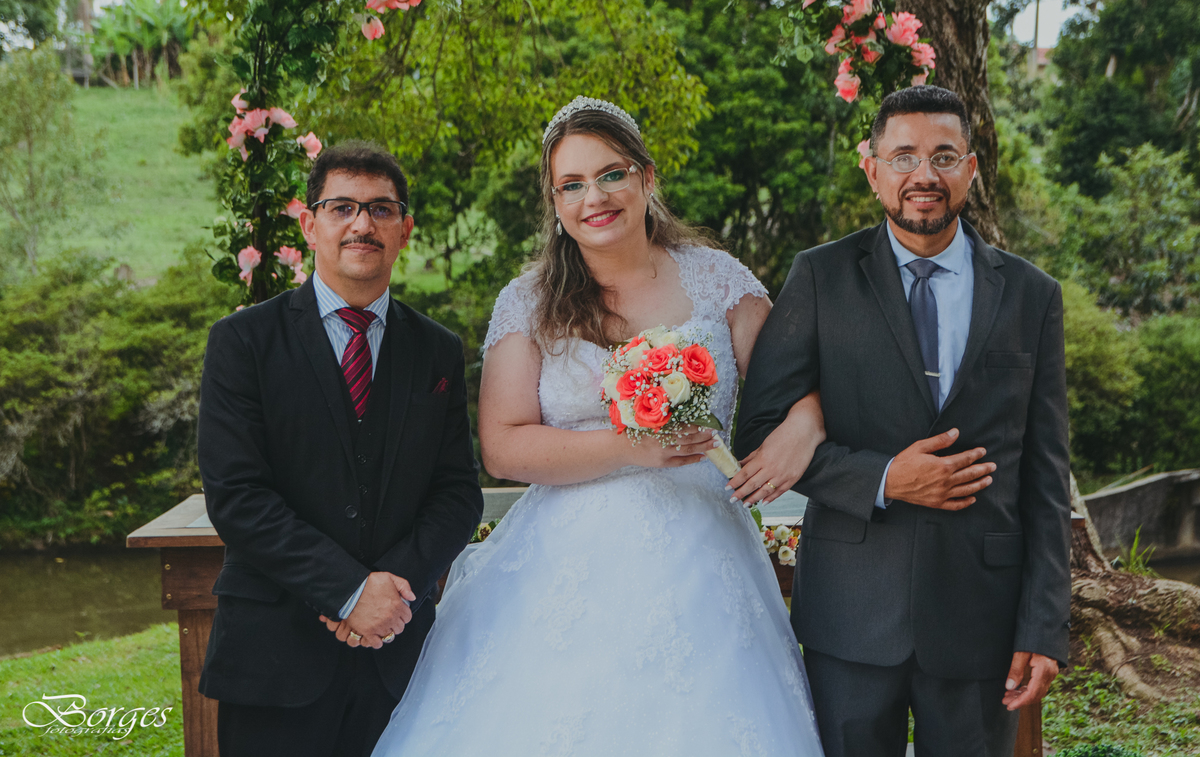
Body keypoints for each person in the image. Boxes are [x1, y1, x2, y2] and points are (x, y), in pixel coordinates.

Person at [368, 97, 827, 755]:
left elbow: (795, 387)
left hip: (704, 555)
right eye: (572, 184)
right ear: (554, 202)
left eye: (611, 174)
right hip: (563, 567)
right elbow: (503, 445)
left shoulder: (718, 279)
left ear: (646, 176)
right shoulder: (528, 301)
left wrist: (804, 425)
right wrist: (632, 446)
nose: (595, 198)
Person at [735, 85, 1072, 757]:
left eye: (944, 156)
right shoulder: (820, 277)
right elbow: (759, 434)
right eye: (904, 156)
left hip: (981, 615)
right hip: (850, 615)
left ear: (970, 170)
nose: (924, 174)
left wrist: (1044, 624)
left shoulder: (1032, 294)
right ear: (873, 170)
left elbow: (1046, 472)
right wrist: (886, 478)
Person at [196, 141, 484, 757]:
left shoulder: (436, 350)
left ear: (405, 229)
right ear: (310, 224)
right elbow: (238, 497)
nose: (362, 224)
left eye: (381, 209)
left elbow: (457, 492)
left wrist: (391, 594)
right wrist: (350, 592)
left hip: (401, 662)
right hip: (274, 658)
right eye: (342, 207)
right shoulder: (242, 342)